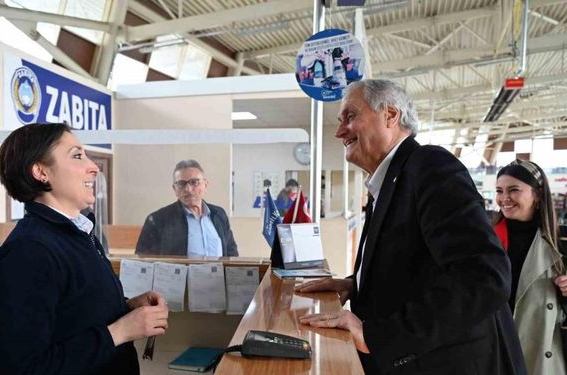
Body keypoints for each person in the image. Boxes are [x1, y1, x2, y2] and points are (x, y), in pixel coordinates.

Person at [295, 79, 525, 374]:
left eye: (350, 117)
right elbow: (416, 260)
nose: (339, 132)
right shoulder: (389, 180)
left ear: (390, 115)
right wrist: (357, 283)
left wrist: (378, 336)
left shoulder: (430, 165)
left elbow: (483, 276)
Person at [0, 123, 168, 374]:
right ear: (41, 172)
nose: (93, 167)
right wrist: (120, 331)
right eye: (77, 156)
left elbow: (73, 316)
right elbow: (24, 368)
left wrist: (125, 309)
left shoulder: (78, 233)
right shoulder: (28, 253)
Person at [495, 159, 566, 374]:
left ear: (537, 194)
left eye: (514, 190)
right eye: (499, 191)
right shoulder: (486, 239)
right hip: (494, 350)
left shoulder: (561, 241)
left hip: (541, 357)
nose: (504, 198)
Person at [135, 160, 238, 256]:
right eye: (181, 184)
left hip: (218, 275)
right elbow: (142, 259)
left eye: (194, 182)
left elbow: (232, 254)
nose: (188, 189)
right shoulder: (158, 220)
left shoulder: (218, 214)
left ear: (205, 185)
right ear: (174, 189)